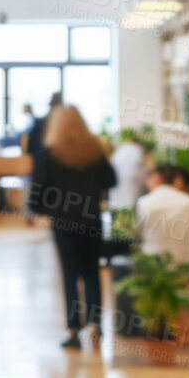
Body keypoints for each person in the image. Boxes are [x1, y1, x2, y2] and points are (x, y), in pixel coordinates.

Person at [29, 105, 116, 349]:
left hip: (63, 224)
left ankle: (73, 329)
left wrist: (49, 209)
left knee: (69, 275)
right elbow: (111, 180)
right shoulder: (95, 150)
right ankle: (96, 326)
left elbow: (37, 194)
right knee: (91, 273)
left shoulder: (49, 154)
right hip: (92, 220)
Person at [135, 164, 189, 266]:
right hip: (188, 266)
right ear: (178, 180)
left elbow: (137, 236)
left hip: (153, 266)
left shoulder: (142, 203)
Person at [108, 135, 150, 210]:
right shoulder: (137, 151)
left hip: (116, 200)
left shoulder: (119, 151)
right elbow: (144, 174)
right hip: (133, 198)